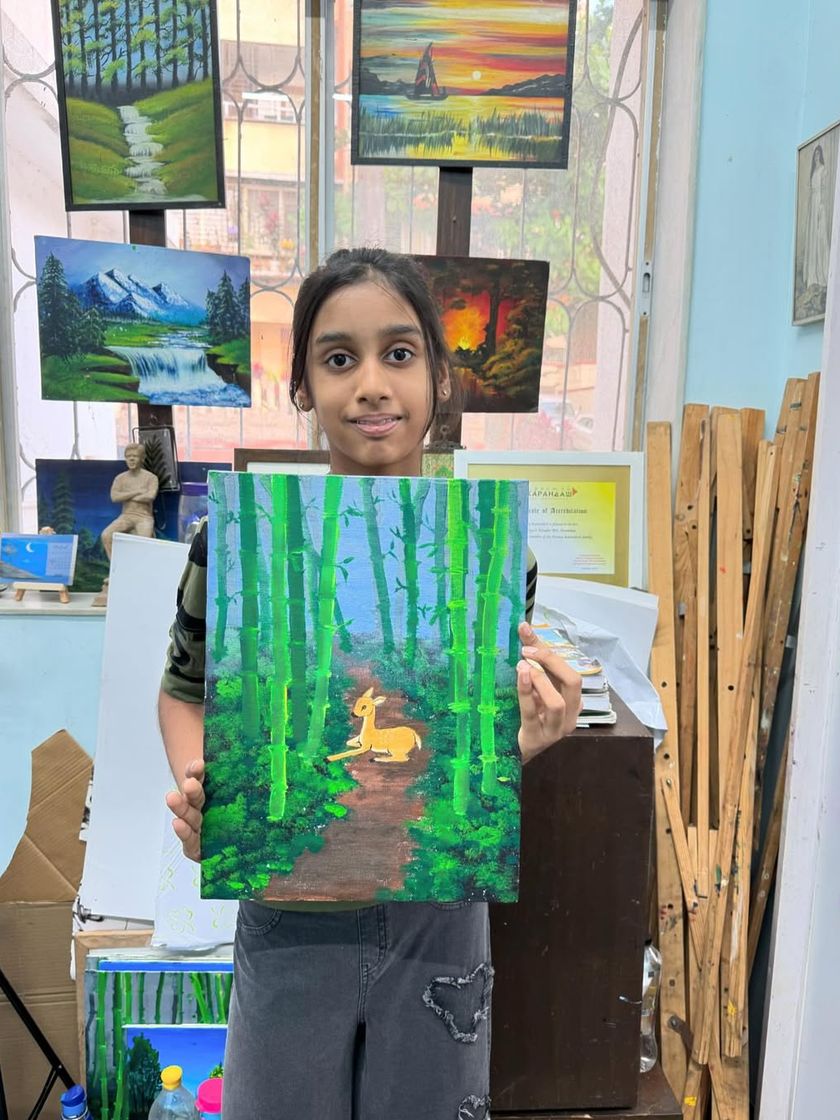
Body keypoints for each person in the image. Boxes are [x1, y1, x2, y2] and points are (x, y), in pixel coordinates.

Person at [158, 247, 583, 1120]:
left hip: (439, 919)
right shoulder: (234, 545)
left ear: (439, 377)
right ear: (302, 389)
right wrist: (212, 795)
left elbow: (474, 742)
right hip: (285, 916)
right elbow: (183, 691)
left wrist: (526, 740)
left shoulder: (495, 555)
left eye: (398, 353)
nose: (372, 386)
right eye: (338, 358)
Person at [100, 442, 158, 559]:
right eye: (128, 456)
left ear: (142, 458)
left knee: (145, 542)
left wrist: (126, 496)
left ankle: (142, 568)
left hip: (144, 517)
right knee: (106, 535)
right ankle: (116, 566)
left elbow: (150, 496)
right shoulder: (120, 478)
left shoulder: (151, 478)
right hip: (126, 516)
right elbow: (114, 497)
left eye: (135, 456)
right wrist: (137, 492)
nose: (131, 459)